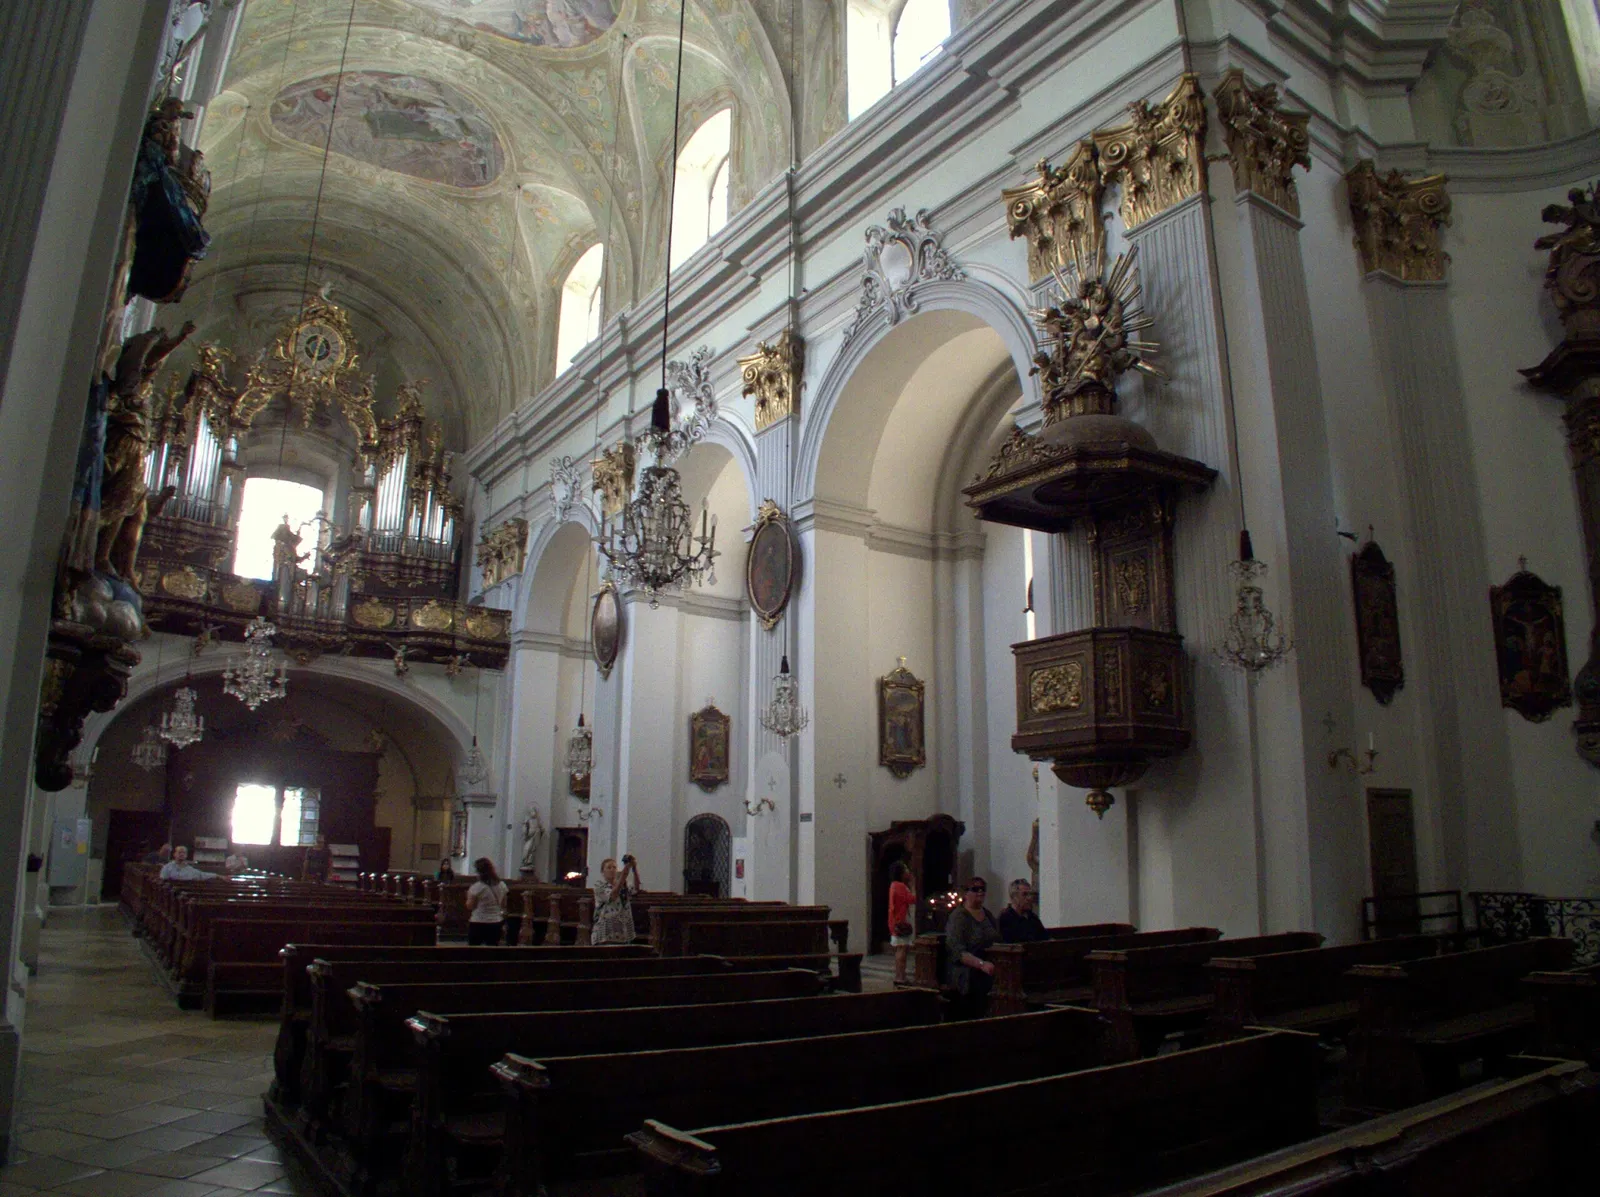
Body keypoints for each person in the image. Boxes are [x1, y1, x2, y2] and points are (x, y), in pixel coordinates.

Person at [944, 877, 999, 1019]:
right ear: (965, 893)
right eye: (975, 889)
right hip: (967, 969)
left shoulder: (987, 915)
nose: (980, 892)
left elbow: (998, 938)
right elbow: (957, 951)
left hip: (989, 964)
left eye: (983, 889)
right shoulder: (958, 917)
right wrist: (981, 964)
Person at [592, 855, 641, 945]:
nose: (612, 870)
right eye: (609, 867)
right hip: (607, 928)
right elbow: (613, 895)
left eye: (614, 867)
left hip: (624, 926)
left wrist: (634, 869)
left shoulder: (624, 883)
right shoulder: (599, 885)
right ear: (603, 871)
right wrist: (624, 874)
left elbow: (636, 889)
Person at [465, 857, 508, 945]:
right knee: (492, 951)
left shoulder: (477, 887)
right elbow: (504, 904)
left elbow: (470, 906)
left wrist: (467, 896)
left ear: (479, 872)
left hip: (478, 922)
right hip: (496, 921)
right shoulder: (502, 885)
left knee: (473, 951)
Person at [887, 861, 917, 984]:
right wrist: (913, 886)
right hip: (901, 922)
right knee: (902, 950)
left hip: (895, 921)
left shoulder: (893, 885)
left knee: (900, 949)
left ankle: (899, 975)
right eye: (905, 869)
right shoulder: (900, 886)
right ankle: (900, 977)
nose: (908, 872)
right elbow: (912, 899)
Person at [998, 878, 1048, 943]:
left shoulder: (1032, 917)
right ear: (1014, 897)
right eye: (1025, 894)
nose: (1029, 898)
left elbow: (1045, 938)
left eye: (1030, 894)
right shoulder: (1006, 918)